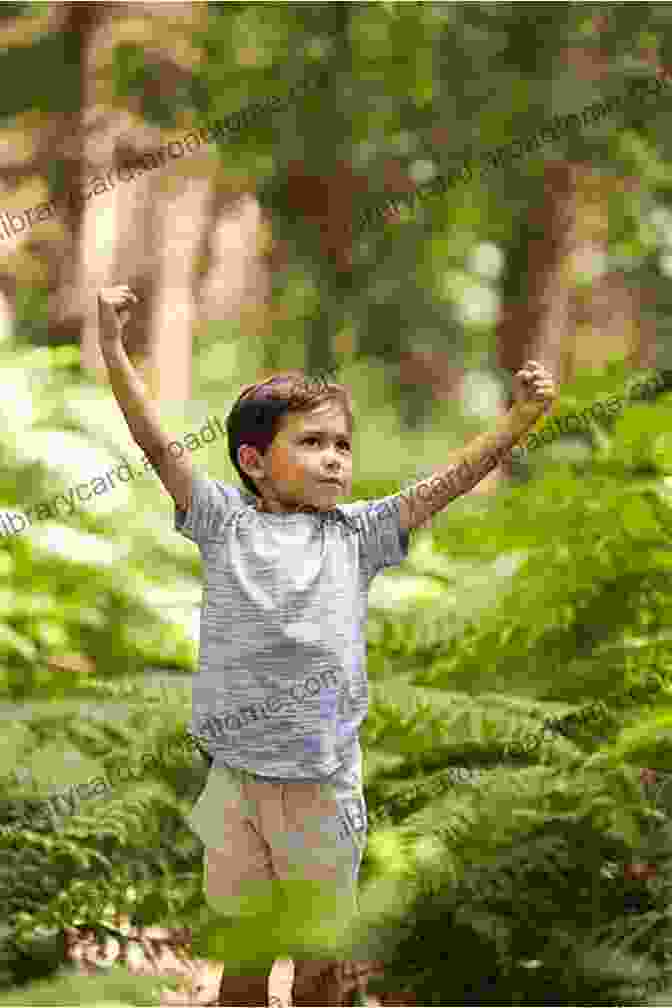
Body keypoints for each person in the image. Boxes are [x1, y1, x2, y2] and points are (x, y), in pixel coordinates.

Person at [97, 284, 556, 1006]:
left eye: (342, 444)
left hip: (322, 787)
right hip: (238, 783)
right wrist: (114, 349)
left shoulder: (359, 534)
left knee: (317, 966)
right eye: (311, 442)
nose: (335, 458)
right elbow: (155, 442)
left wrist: (519, 421)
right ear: (253, 461)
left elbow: (450, 482)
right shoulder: (221, 522)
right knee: (243, 962)